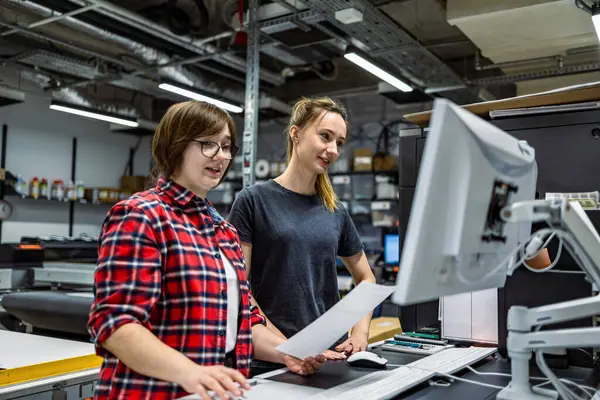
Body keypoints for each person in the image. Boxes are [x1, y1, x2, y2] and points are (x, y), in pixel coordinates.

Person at [87, 100, 325, 400]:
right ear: (176, 146)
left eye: (226, 146)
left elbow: (244, 322)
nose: (221, 156)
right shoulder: (141, 215)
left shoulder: (223, 230)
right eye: (208, 144)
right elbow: (116, 324)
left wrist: (290, 354)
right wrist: (192, 372)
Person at [227, 96, 377, 360]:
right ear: (296, 134)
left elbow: (367, 278)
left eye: (339, 143)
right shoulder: (253, 201)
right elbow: (240, 290)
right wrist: (288, 349)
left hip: (332, 355)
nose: (333, 150)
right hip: (275, 356)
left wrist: (360, 332)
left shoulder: (335, 210)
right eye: (325, 136)